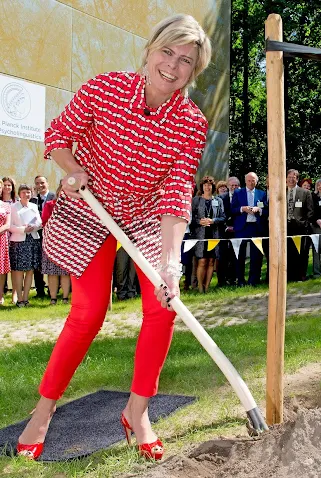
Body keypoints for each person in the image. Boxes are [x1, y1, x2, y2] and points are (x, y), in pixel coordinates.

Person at [16, 14, 211, 461]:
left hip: (143, 216)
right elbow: (58, 136)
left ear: (193, 72)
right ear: (149, 51)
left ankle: (138, 411)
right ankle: (43, 413)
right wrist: (71, 169)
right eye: (167, 51)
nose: (173, 65)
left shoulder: (189, 122)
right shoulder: (104, 88)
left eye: (186, 60)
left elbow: (177, 192)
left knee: (163, 306)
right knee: (88, 312)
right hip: (89, 208)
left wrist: (170, 265)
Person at [9, 184, 42, 307]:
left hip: (32, 240)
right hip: (18, 241)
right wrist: (23, 229)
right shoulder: (13, 207)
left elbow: (40, 222)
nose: (26, 195)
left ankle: (26, 298)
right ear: (19, 194)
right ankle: (20, 299)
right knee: (18, 271)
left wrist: (35, 227)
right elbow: (10, 226)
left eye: (28, 192)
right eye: (23, 192)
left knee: (30, 270)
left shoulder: (33, 206)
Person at [191, 176, 225, 292]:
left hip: (214, 234)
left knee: (211, 261)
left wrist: (213, 221)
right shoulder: (196, 200)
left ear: (212, 187)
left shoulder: (218, 200)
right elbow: (191, 218)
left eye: (209, 185)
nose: (207, 187)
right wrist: (199, 222)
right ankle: (200, 288)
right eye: (205, 185)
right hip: (200, 235)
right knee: (202, 261)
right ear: (202, 187)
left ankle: (207, 287)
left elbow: (223, 217)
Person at [232, 172, 266, 286]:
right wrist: (243, 209)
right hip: (242, 227)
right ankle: (240, 280)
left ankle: (254, 280)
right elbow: (232, 210)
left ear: (257, 181)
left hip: (256, 227)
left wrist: (259, 210)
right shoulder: (238, 193)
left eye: (253, 181)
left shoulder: (262, 194)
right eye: (249, 180)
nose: (251, 183)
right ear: (245, 181)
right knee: (240, 255)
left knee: (256, 255)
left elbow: (266, 210)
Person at [41, 185, 71, 305]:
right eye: (61, 190)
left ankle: (65, 298)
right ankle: (53, 298)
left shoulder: (71, 205)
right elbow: (44, 221)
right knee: (52, 272)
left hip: (66, 243)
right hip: (51, 241)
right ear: (58, 191)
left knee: (65, 272)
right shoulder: (49, 204)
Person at [30, 176, 56, 299]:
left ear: (47, 183)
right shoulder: (33, 200)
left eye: (42, 182)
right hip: (37, 236)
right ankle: (40, 290)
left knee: (54, 263)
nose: (40, 185)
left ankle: (55, 291)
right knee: (37, 263)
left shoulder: (54, 197)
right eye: (37, 183)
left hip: (52, 235)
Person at [287, 169, 313, 281]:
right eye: (289, 177)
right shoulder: (281, 192)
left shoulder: (305, 193)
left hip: (300, 227)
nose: (291, 180)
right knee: (288, 253)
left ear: (297, 179)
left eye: (294, 177)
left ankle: (301, 275)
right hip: (286, 227)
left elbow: (310, 210)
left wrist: (304, 222)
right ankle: (290, 276)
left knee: (301, 252)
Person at [2, 177, 16, 303]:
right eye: (4, 185)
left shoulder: (15, 201)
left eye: (9, 185)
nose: (7, 187)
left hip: (15, 238)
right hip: (3, 237)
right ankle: (3, 291)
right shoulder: (1, 202)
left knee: (13, 266)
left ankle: (15, 294)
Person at [0, 198, 11, 305]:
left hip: (1, 239)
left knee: (1, 270)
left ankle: (0, 296)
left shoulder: (5, 205)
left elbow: (8, 224)